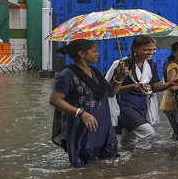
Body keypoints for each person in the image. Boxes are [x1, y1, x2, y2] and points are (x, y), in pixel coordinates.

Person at [49, 39, 126, 167]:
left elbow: (111, 93)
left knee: (108, 161)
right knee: (83, 165)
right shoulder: (66, 75)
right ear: (81, 53)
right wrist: (81, 113)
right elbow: (54, 100)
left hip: (102, 124)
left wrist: (119, 77)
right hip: (82, 126)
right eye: (94, 51)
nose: (98, 54)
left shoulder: (95, 72)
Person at [106, 35, 178, 150]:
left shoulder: (151, 65)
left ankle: (125, 162)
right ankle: (139, 159)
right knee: (148, 132)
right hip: (124, 105)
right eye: (147, 49)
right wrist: (134, 86)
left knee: (130, 138)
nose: (151, 52)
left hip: (142, 105)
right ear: (135, 49)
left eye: (153, 49)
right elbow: (111, 90)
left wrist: (170, 84)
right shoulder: (122, 65)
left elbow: (155, 87)